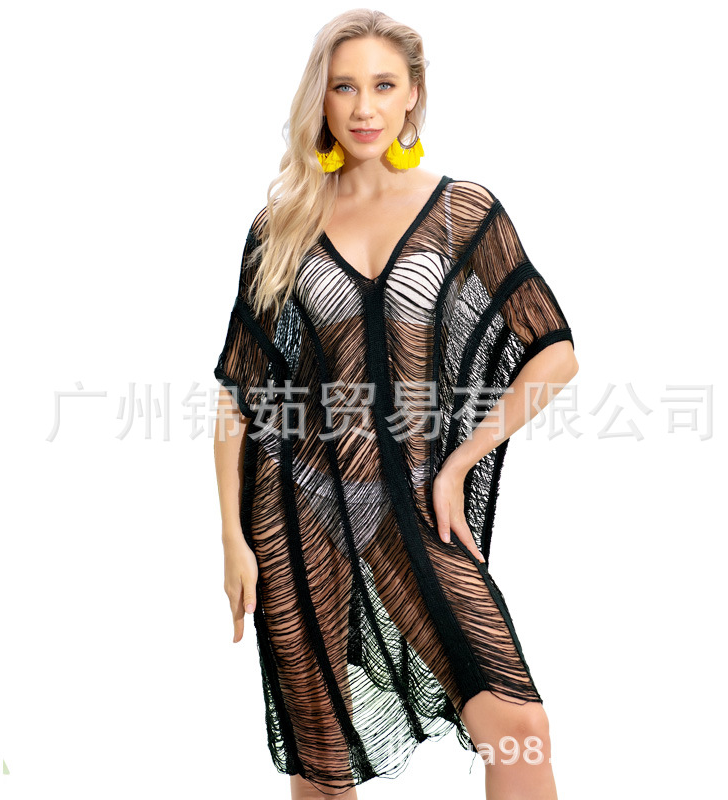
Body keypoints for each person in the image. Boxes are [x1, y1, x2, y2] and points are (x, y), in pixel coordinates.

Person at [212, 9, 578, 800]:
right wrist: (232, 539)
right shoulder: (282, 226)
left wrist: (461, 462)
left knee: (518, 727)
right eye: (344, 87)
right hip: (296, 506)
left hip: (410, 504)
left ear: (413, 94)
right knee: (321, 758)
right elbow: (238, 394)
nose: (364, 107)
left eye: (383, 85)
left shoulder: (461, 211)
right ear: (321, 99)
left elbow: (555, 354)